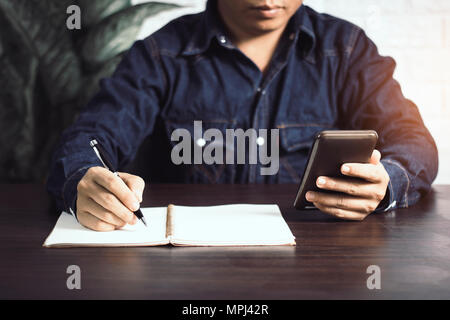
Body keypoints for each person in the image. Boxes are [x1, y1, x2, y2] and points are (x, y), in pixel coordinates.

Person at [47, 0, 438, 231]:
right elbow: (90, 136)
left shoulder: (347, 49)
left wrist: (387, 182)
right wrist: (83, 179)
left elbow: (414, 140)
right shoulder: (160, 54)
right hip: (188, 264)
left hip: (318, 258)